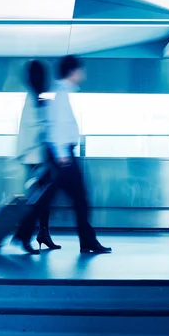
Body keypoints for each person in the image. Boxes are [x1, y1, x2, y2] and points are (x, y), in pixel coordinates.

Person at [48, 56, 111, 254]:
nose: (83, 74)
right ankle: (88, 241)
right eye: (81, 70)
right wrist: (62, 155)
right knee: (81, 199)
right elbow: (56, 126)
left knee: (63, 199)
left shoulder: (61, 93)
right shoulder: (60, 94)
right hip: (63, 154)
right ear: (73, 71)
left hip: (63, 153)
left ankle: (87, 241)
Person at [13, 60, 60, 254]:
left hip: (37, 159)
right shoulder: (33, 100)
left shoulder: (34, 98)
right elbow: (36, 131)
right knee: (38, 201)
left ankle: (41, 234)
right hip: (36, 160)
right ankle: (25, 236)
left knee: (43, 201)